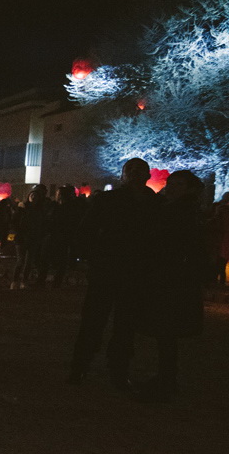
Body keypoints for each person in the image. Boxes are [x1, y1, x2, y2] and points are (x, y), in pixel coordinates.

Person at [67, 158, 157, 387]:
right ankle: (80, 366)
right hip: (107, 268)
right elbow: (85, 231)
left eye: (141, 170)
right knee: (94, 321)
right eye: (131, 170)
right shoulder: (108, 200)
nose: (136, 174)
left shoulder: (154, 203)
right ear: (123, 175)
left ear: (148, 175)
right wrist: (86, 258)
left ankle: (118, 369)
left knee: (125, 325)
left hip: (135, 271)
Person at [132, 170, 206, 402]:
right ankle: (166, 377)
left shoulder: (180, 211)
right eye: (171, 183)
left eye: (179, 184)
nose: (173, 187)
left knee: (166, 329)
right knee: (166, 331)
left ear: (190, 188)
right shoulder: (182, 209)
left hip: (170, 278)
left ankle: (165, 380)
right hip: (172, 277)